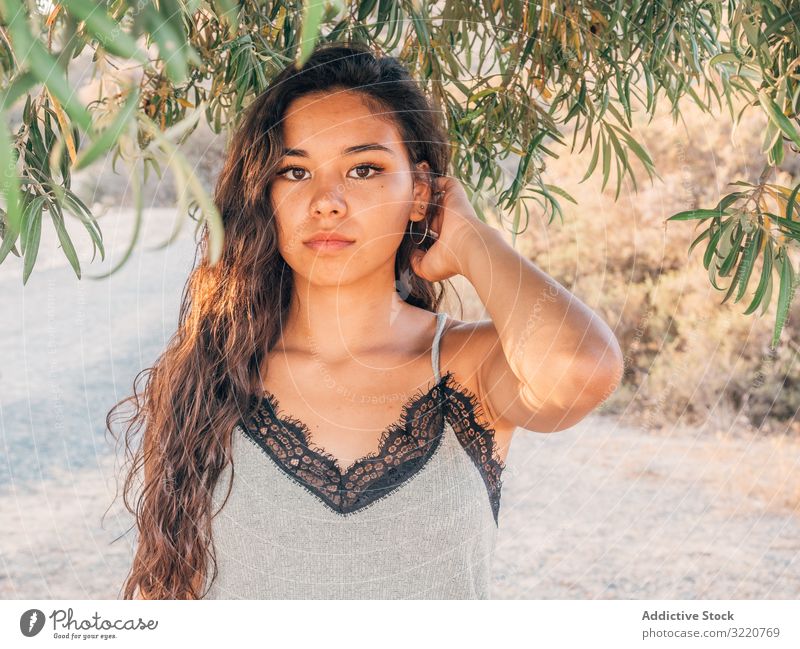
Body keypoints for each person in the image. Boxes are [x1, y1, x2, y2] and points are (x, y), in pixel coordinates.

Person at [109, 41, 623, 600]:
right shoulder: (207, 375)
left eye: (363, 168)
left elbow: (582, 368)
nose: (326, 201)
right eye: (295, 171)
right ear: (265, 196)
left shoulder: (470, 369)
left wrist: (472, 240)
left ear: (420, 193)